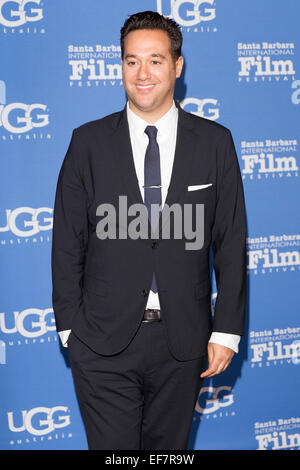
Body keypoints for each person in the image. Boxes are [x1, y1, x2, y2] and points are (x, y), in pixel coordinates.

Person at [51, 10, 247, 450]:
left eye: (155, 60)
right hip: (101, 341)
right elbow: (67, 241)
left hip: (184, 342)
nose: (142, 73)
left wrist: (226, 330)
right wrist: (70, 329)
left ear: (177, 66)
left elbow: (231, 243)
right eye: (131, 61)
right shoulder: (88, 142)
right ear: (120, 66)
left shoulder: (216, 142)